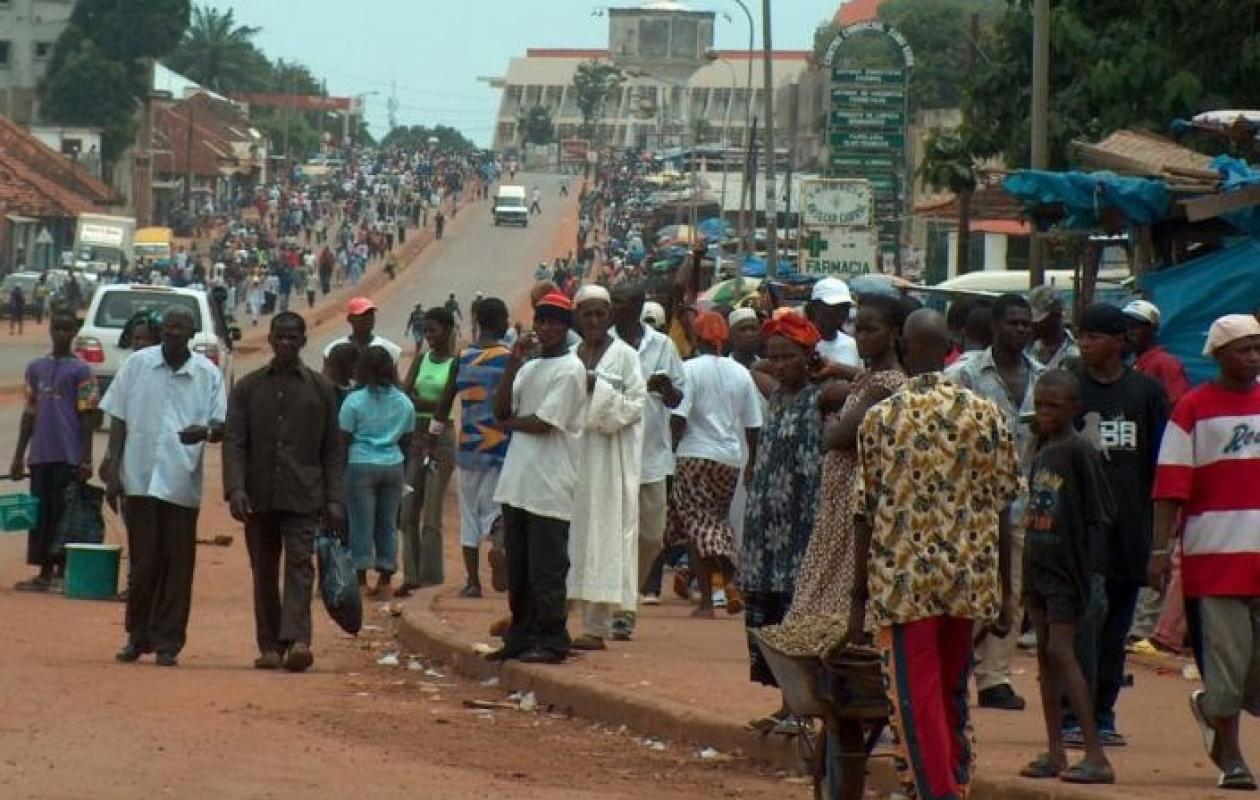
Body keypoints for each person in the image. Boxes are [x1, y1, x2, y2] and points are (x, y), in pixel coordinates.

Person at [849, 309, 1022, 800]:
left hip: (904, 584)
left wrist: (857, 597)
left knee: (915, 698)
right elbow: (1005, 506)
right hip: (971, 579)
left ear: (903, 347)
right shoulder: (987, 415)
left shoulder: (881, 419)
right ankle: (954, 783)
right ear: (949, 349)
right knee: (951, 690)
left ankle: (938, 791)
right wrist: (1006, 596)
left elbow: (865, 510)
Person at [1149, 314, 1260, 791]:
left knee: (1250, 677)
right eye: (1243, 349)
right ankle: (1231, 758)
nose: (1253, 357)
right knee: (1228, 668)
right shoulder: (1192, 410)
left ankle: (1211, 711)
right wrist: (1158, 549)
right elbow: (1170, 486)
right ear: (1217, 356)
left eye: (1257, 348)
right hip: (1215, 560)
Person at [102, 307, 227, 667]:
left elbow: (221, 426)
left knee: (177, 565)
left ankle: (169, 641)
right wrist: (113, 470)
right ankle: (136, 636)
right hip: (139, 478)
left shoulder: (206, 374)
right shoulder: (138, 365)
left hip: (180, 483)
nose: (174, 333)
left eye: (181, 328)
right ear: (162, 332)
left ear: (192, 333)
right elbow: (119, 418)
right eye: (169, 327)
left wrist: (202, 432)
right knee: (143, 563)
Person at [1067, 303, 1169, 746]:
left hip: (1128, 530)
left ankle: (1103, 714)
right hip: (1081, 531)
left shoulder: (1145, 393)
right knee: (1085, 620)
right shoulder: (1070, 388)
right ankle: (1074, 713)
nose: (1085, 344)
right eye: (1082, 336)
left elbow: (1158, 464)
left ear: (1118, 341)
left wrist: (1156, 540)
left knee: (1115, 629)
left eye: (1094, 336)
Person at [223, 312, 344, 673]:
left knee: (299, 566)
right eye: (280, 337)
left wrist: (334, 498)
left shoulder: (321, 390)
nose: (286, 343)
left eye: (293, 337)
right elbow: (234, 442)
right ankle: (269, 645)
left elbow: (333, 449)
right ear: (271, 340)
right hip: (257, 497)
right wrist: (235, 489)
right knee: (263, 570)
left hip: (304, 495)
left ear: (303, 341)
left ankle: (297, 641)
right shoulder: (248, 388)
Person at [946, 293, 1045, 711]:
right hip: (970, 504)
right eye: (1013, 323)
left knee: (1012, 590)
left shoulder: (1042, 377)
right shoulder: (963, 375)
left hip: (1022, 503)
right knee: (966, 589)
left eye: (1026, 324)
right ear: (995, 326)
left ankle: (995, 679)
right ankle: (952, 670)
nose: (1020, 330)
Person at [1019, 370, 1117, 785]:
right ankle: (1055, 750)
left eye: (1054, 406)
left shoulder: (1080, 452)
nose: (1045, 413)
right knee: (1045, 656)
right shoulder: (1044, 448)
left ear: (1075, 408)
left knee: (1062, 650)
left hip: (1067, 572)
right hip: (1038, 566)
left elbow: (1100, 517)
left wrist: (1089, 577)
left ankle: (1094, 753)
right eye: (1040, 405)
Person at [785, 295, 906, 624]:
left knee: (840, 577)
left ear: (894, 332)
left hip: (858, 493)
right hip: (841, 493)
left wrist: (831, 421)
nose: (863, 337)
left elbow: (837, 438)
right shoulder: (868, 378)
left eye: (872, 330)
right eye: (859, 330)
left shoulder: (887, 383)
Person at [489, 292, 588, 664]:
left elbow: (544, 423)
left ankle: (551, 638)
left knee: (547, 568)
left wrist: (506, 424)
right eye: (541, 321)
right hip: (519, 480)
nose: (545, 328)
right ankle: (520, 634)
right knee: (520, 567)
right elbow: (500, 407)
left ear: (565, 327)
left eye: (553, 322)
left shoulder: (571, 369)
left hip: (551, 483)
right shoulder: (530, 367)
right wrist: (512, 366)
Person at [741, 311, 824, 724]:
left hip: (802, 523)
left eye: (789, 356)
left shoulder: (823, 397)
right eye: (774, 357)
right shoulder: (775, 395)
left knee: (797, 615)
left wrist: (823, 366)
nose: (779, 365)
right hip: (766, 524)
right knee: (771, 615)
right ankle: (786, 705)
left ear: (809, 357)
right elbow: (756, 367)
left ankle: (802, 709)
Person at [565, 285, 646, 650]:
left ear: (609, 316)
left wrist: (597, 387)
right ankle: (552, 616)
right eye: (587, 314)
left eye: (600, 314)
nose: (594, 321)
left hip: (610, 461)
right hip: (573, 457)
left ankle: (597, 626)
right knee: (570, 536)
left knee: (605, 535)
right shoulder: (569, 356)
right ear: (578, 317)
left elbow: (635, 404)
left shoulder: (626, 356)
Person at [665, 312, 762, 616]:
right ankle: (721, 593)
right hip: (729, 459)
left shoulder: (689, 369)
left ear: (696, 338)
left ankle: (710, 599)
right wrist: (750, 465)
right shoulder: (741, 373)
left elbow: (679, 417)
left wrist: (671, 450)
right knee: (716, 523)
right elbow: (753, 424)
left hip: (695, 455)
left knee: (699, 531)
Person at [609, 282, 685, 639]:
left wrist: (666, 388)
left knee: (652, 537)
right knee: (613, 535)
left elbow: (679, 398)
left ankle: (629, 589)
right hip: (613, 453)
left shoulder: (663, 345)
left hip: (653, 457)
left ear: (637, 305)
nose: (614, 307)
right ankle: (622, 607)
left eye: (621, 302)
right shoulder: (603, 344)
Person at [9, 311, 99, 592]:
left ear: (74, 333)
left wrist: (86, 456)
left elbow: (88, 417)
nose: (61, 333)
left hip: (68, 455)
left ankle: (62, 571)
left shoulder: (82, 371)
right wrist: (18, 455)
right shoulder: (36, 368)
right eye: (57, 328)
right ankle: (44, 572)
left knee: (65, 516)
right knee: (41, 515)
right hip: (41, 456)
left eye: (67, 329)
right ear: (50, 330)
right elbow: (30, 413)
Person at [448, 297, 513, 598]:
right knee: (498, 509)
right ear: (500, 321)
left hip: (468, 447)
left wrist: (434, 434)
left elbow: (444, 402)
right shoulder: (510, 358)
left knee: (468, 514)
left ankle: (473, 582)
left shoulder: (462, 357)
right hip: (501, 447)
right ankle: (500, 547)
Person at [339, 346, 416, 597]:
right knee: (388, 523)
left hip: (360, 463)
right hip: (393, 464)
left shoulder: (355, 400)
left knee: (360, 522)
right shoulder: (404, 401)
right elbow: (408, 436)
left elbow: (344, 437)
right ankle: (385, 578)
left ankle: (361, 579)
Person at [397, 308, 458, 594]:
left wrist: (419, 401)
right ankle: (411, 574)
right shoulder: (421, 359)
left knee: (431, 514)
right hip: (417, 440)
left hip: (440, 440)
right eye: (426, 331)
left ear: (447, 331)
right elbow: (404, 394)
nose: (429, 336)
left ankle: (430, 578)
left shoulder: (454, 364)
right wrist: (426, 403)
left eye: (433, 330)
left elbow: (439, 405)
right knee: (408, 509)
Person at [1124, 299, 1191, 407]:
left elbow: (1179, 405)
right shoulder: (1136, 363)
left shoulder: (1166, 363)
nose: (1129, 332)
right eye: (1125, 327)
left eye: (1134, 326)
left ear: (1152, 329)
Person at [322, 297, 403, 369]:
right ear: (350, 319)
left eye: (371, 314)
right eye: (363, 315)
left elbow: (394, 381)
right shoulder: (333, 349)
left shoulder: (389, 349)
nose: (368, 318)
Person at [809, 277, 860, 374]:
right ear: (815, 307)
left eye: (845, 307)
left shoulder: (852, 344)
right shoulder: (800, 344)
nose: (841, 312)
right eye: (834, 307)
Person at [1028, 285, 1080, 369]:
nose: (1034, 325)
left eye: (1041, 321)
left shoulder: (1076, 353)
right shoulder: (1027, 349)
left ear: (1056, 315)